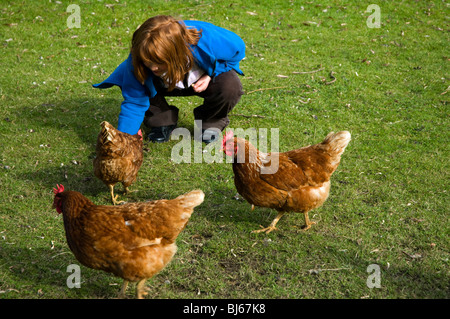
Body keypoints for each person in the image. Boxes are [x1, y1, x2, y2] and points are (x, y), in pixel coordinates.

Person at [93, 15, 245, 144]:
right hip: (161, 85)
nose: (152, 68)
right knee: (135, 81)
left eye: (158, 62)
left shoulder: (207, 40)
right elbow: (134, 101)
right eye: (147, 61)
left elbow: (238, 50)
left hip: (198, 80)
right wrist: (123, 139)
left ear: (175, 53)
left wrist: (211, 74)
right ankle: (161, 121)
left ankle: (210, 122)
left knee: (230, 86)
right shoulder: (139, 59)